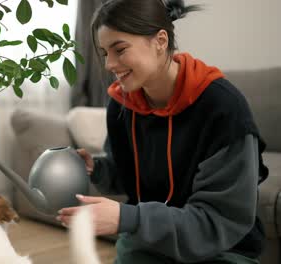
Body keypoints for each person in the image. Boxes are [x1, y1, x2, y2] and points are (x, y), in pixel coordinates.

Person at [56, 0, 269, 263]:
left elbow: (216, 222)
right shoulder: (122, 105)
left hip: (221, 250)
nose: (109, 64)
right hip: (148, 243)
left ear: (160, 41)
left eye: (119, 49)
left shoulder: (224, 109)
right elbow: (130, 175)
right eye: (104, 53)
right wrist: (96, 169)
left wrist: (128, 217)